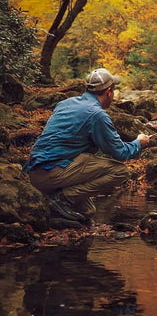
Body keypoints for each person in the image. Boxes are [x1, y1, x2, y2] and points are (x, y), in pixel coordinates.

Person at [23, 68, 150, 226]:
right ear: (109, 92)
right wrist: (139, 143)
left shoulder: (65, 103)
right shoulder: (97, 115)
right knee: (120, 171)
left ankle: (55, 205)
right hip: (53, 172)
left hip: (35, 173)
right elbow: (120, 153)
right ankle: (63, 198)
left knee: (87, 212)